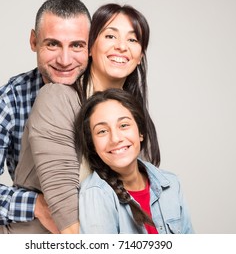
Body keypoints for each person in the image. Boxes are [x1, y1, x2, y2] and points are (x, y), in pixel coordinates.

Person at [8, 3, 161, 234]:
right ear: (90, 47)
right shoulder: (57, 98)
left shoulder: (134, 117)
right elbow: (66, 216)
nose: (121, 46)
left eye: (133, 40)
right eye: (110, 35)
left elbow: (143, 197)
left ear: (140, 56)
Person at [0, 0, 91, 234]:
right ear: (33, 41)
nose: (65, 60)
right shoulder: (7, 101)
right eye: (53, 44)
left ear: (91, 46)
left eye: (77, 45)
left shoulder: (105, 92)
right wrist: (38, 206)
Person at [75, 88, 194, 234]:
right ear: (92, 144)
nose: (115, 139)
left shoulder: (171, 183)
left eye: (124, 125)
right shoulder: (95, 194)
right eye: (102, 131)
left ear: (141, 132)